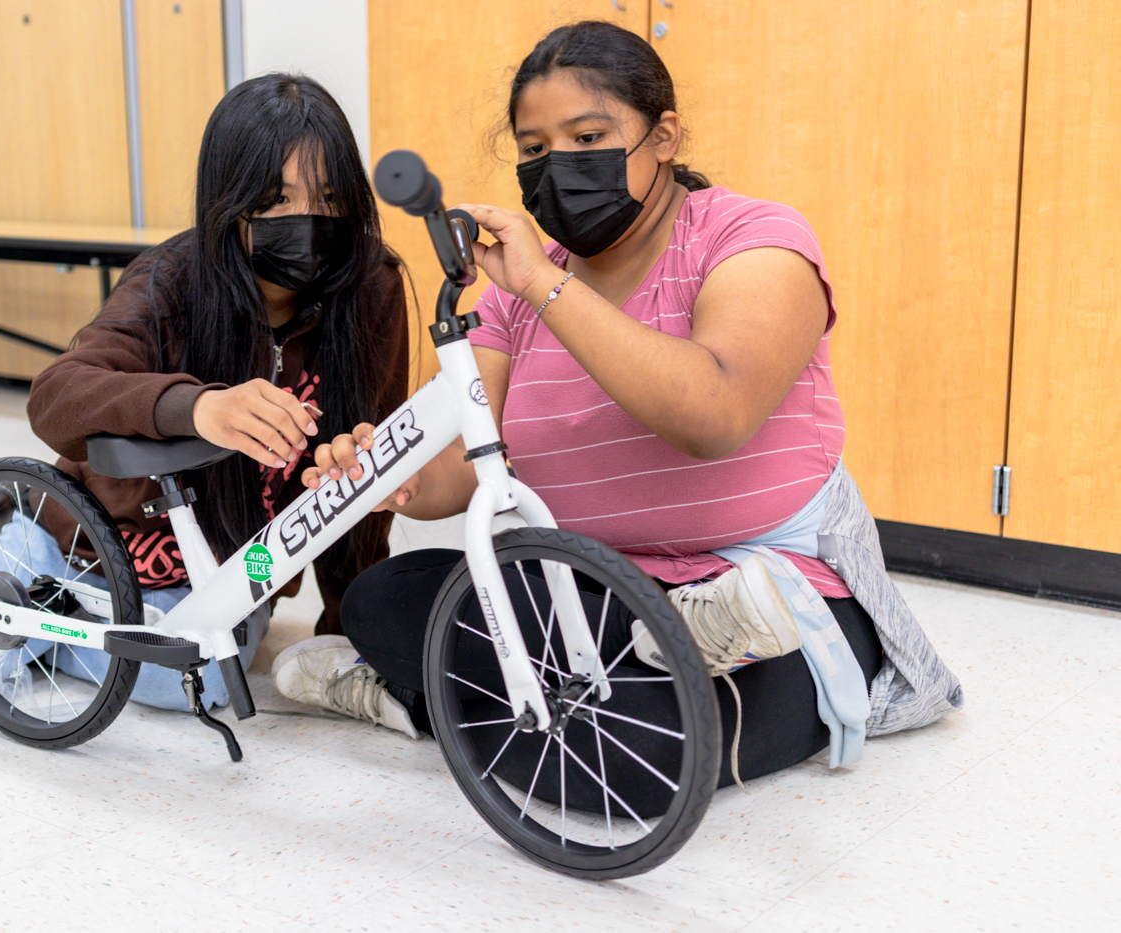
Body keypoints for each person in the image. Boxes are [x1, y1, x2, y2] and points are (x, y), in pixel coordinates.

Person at [273, 22, 962, 798]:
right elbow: (457, 476)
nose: (555, 165)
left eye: (588, 135)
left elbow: (716, 410)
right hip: (590, 591)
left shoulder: (753, 239)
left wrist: (545, 285)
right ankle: (615, 658)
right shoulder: (510, 295)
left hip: (765, 601)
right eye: (533, 149)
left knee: (631, 763)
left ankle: (424, 700)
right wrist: (382, 473)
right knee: (385, 596)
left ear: (662, 135)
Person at [0, 74, 410, 720]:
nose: (306, 222)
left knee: (205, 682)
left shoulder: (371, 288)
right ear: (230, 205)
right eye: (276, 200)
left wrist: (343, 622)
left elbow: (362, 468)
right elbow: (56, 396)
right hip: (78, 543)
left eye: (329, 196)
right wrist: (200, 407)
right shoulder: (171, 281)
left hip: (223, 575)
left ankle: (39, 625)